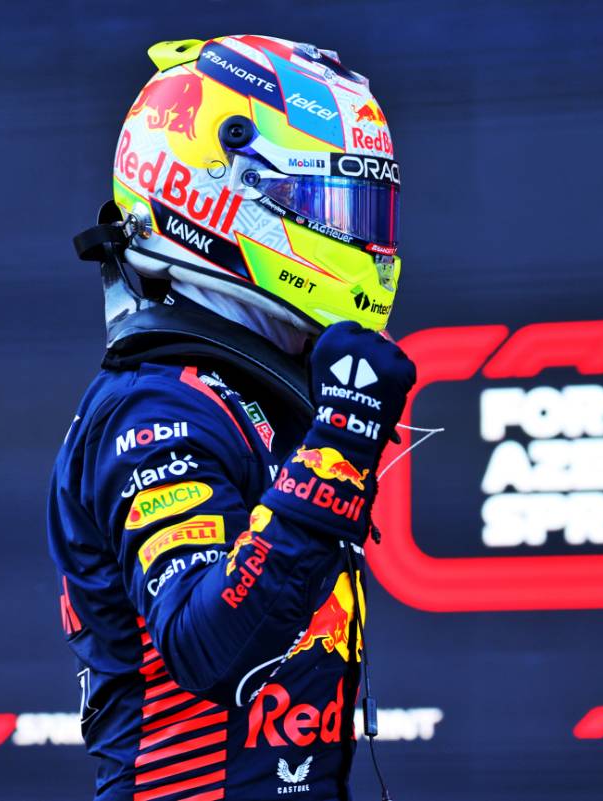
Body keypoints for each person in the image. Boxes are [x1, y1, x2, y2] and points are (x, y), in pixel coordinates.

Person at [48, 35, 414, 801]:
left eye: (370, 209)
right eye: (334, 205)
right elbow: (208, 647)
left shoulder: (257, 398)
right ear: (212, 195)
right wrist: (341, 446)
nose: (363, 239)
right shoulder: (156, 405)